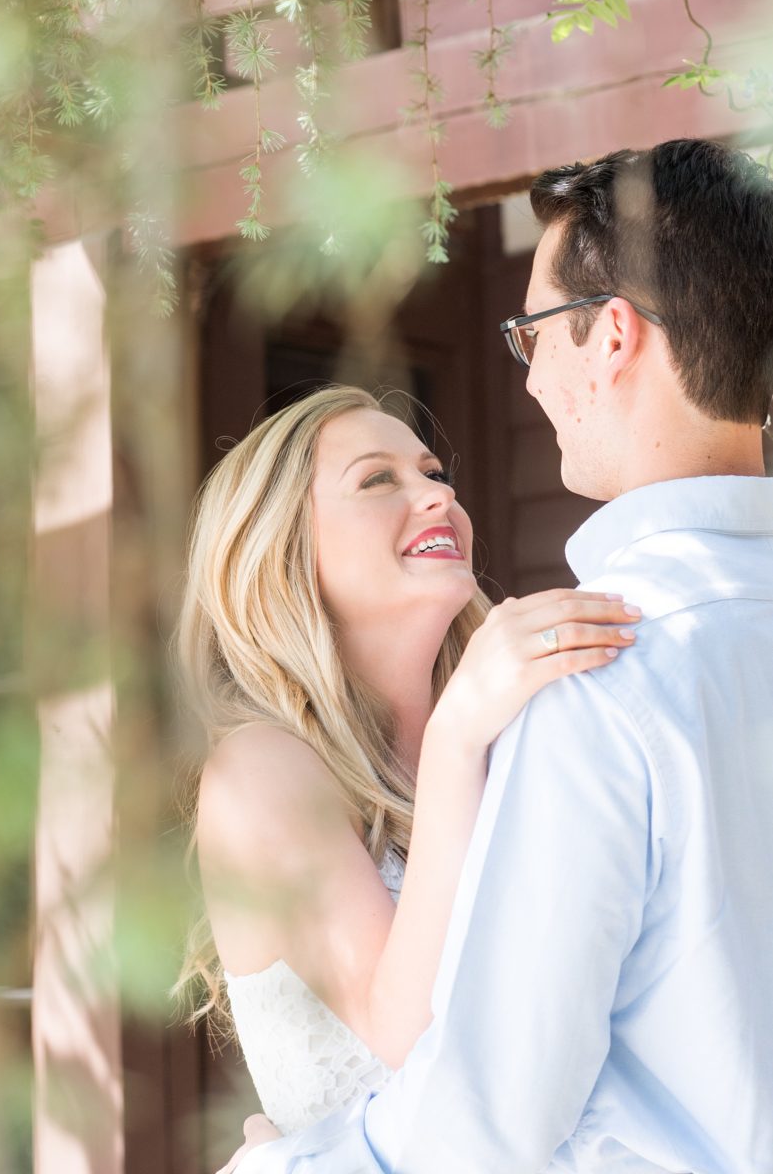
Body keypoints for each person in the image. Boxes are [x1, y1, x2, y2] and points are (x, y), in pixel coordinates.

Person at [228, 138, 773, 1173]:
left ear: (610, 336)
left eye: (534, 336)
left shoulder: (600, 676)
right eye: (377, 481)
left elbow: (489, 1118)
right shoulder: (536, 689)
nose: (526, 383)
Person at [176, 386, 638, 1139]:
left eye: (430, 472)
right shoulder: (258, 772)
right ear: (284, 545)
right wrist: (458, 734)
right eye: (377, 479)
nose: (436, 492)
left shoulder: (520, 731)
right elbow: (404, 1037)